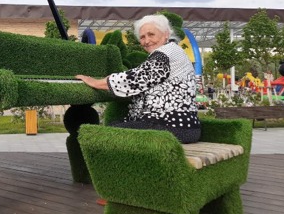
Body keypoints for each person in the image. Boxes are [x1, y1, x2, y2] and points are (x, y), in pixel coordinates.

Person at [76, 14, 201, 144]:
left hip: (171, 126)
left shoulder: (164, 54)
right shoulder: (173, 51)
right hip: (182, 126)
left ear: (166, 34)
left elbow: (137, 78)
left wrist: (96, 82)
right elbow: (144, 78)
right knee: (116, 125)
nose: (146, 41)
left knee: (104, 134)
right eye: (142, 37)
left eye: (151, 34)